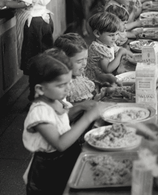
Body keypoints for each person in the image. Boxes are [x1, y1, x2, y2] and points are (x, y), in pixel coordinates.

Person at [22, 53, 105, 195]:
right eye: (61, 85)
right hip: (48, 171)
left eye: (69, 82)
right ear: (40, 89)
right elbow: (60, 144)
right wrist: (88, 118)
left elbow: (61, 118)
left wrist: (81, 106)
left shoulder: (54, 99)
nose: (67, 89)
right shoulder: (39, 112)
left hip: (64, 160)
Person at [0, 0, 53, 75]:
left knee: (33, 60)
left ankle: (34, 89)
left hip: (33, 22)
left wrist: (5, 3)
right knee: (45, 58)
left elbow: (25, 3)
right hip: (45, 19)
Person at [86, 12, 136, 86]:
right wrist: (120, 54)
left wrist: (135, 56)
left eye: (116, 34)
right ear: (97, 33)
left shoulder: (107, 42)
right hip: (98, 82)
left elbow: (120, 49)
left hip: (108, 77)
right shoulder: (98, 48)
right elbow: (108, 69)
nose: (115, 38)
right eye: (111, 35)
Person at [54, 33, 95, 104]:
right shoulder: (63, 85)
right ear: (63, 61)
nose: (84, 63)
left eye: (86, 59)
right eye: (79, 61)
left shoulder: (78, 74)